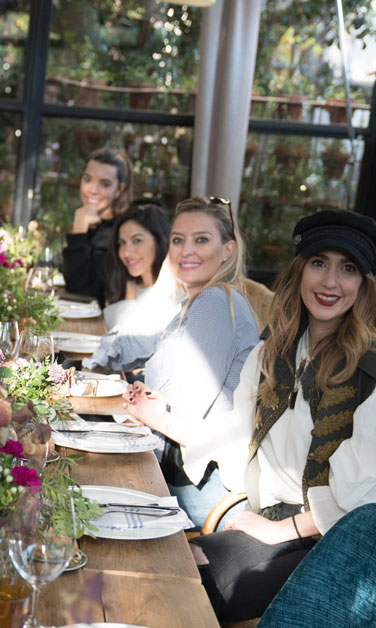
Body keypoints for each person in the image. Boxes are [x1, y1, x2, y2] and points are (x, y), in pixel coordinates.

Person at [122, 209, 376, 623]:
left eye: (348, 269)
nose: (330, 282)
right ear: (299, 271)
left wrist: (285, 530)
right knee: (164, 562)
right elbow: (237, 433)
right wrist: (164, 421)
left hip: (341, 548)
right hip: (274, 522)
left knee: (192, 590)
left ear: (364, 285)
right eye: (319, 264)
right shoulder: (276, 352)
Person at [89, 196, 258, 525]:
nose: (186, 250)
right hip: (172, 471)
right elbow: (141, 344)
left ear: (228, 250)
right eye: (178, 240)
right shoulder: (199, 300)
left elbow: (169, 412)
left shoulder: (216, 302)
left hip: (197, 492)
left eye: (202, 240)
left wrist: (135, 389)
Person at [61, 149, 135, 306]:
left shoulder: (121, 232)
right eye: (87, 179)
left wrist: (79, 229)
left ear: (119, 190)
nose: (92, 190)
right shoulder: (93, 223)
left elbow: (80, 287)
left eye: (105, 184)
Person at [97, 201, 177, 331]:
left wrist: (129, 302)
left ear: (159, 242)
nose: (126, 252)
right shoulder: (124, 284)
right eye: (122, 243)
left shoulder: (172, 293)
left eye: (137, 241)